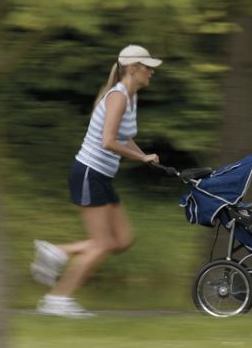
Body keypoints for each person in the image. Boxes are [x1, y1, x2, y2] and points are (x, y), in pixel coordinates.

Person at [31, 44, 163, 317]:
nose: (151, 71)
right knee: (102, 244)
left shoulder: (131, 96)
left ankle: (57, 252)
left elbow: (124, 136)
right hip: (89, 172)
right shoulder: (118, 97)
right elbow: (108, 140)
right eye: (147, 67)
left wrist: (145, 156)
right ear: (133, 68)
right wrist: (140, 159)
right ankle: (57, 300)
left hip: (100, 175)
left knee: (123, 239)